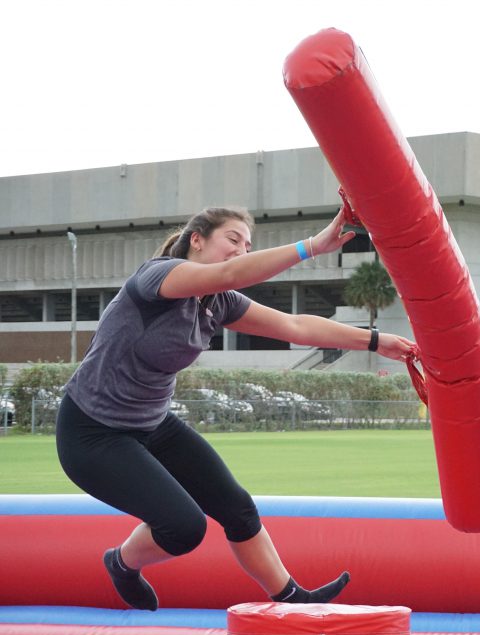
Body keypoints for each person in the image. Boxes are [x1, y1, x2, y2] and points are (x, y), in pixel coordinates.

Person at [56, 206, 418, 611]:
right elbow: (229, 274)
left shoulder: (218, 303)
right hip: (92, 433)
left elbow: (294, 326)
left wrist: (374, 340)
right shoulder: (156, 276)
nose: (241, 250)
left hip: (152, 424)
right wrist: (314, 246)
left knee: (238, 508)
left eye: (247, 245)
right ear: (197, 239)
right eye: (233, 239)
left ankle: (291, 599)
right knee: (184, 528)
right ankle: (121, 563)